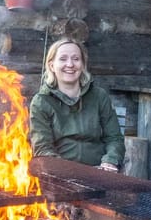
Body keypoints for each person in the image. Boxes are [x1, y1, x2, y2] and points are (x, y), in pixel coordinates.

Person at [29, 38, 125, 171]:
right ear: (52, 65)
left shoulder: (99, 96)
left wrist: (110, 161)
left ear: (83, 65)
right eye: (63, 59)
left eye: (76, 59)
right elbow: (43, 148)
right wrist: (65, 170)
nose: (70, 64)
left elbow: (114, 138)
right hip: (60, 174)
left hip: (99, 172)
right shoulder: (41, 101)